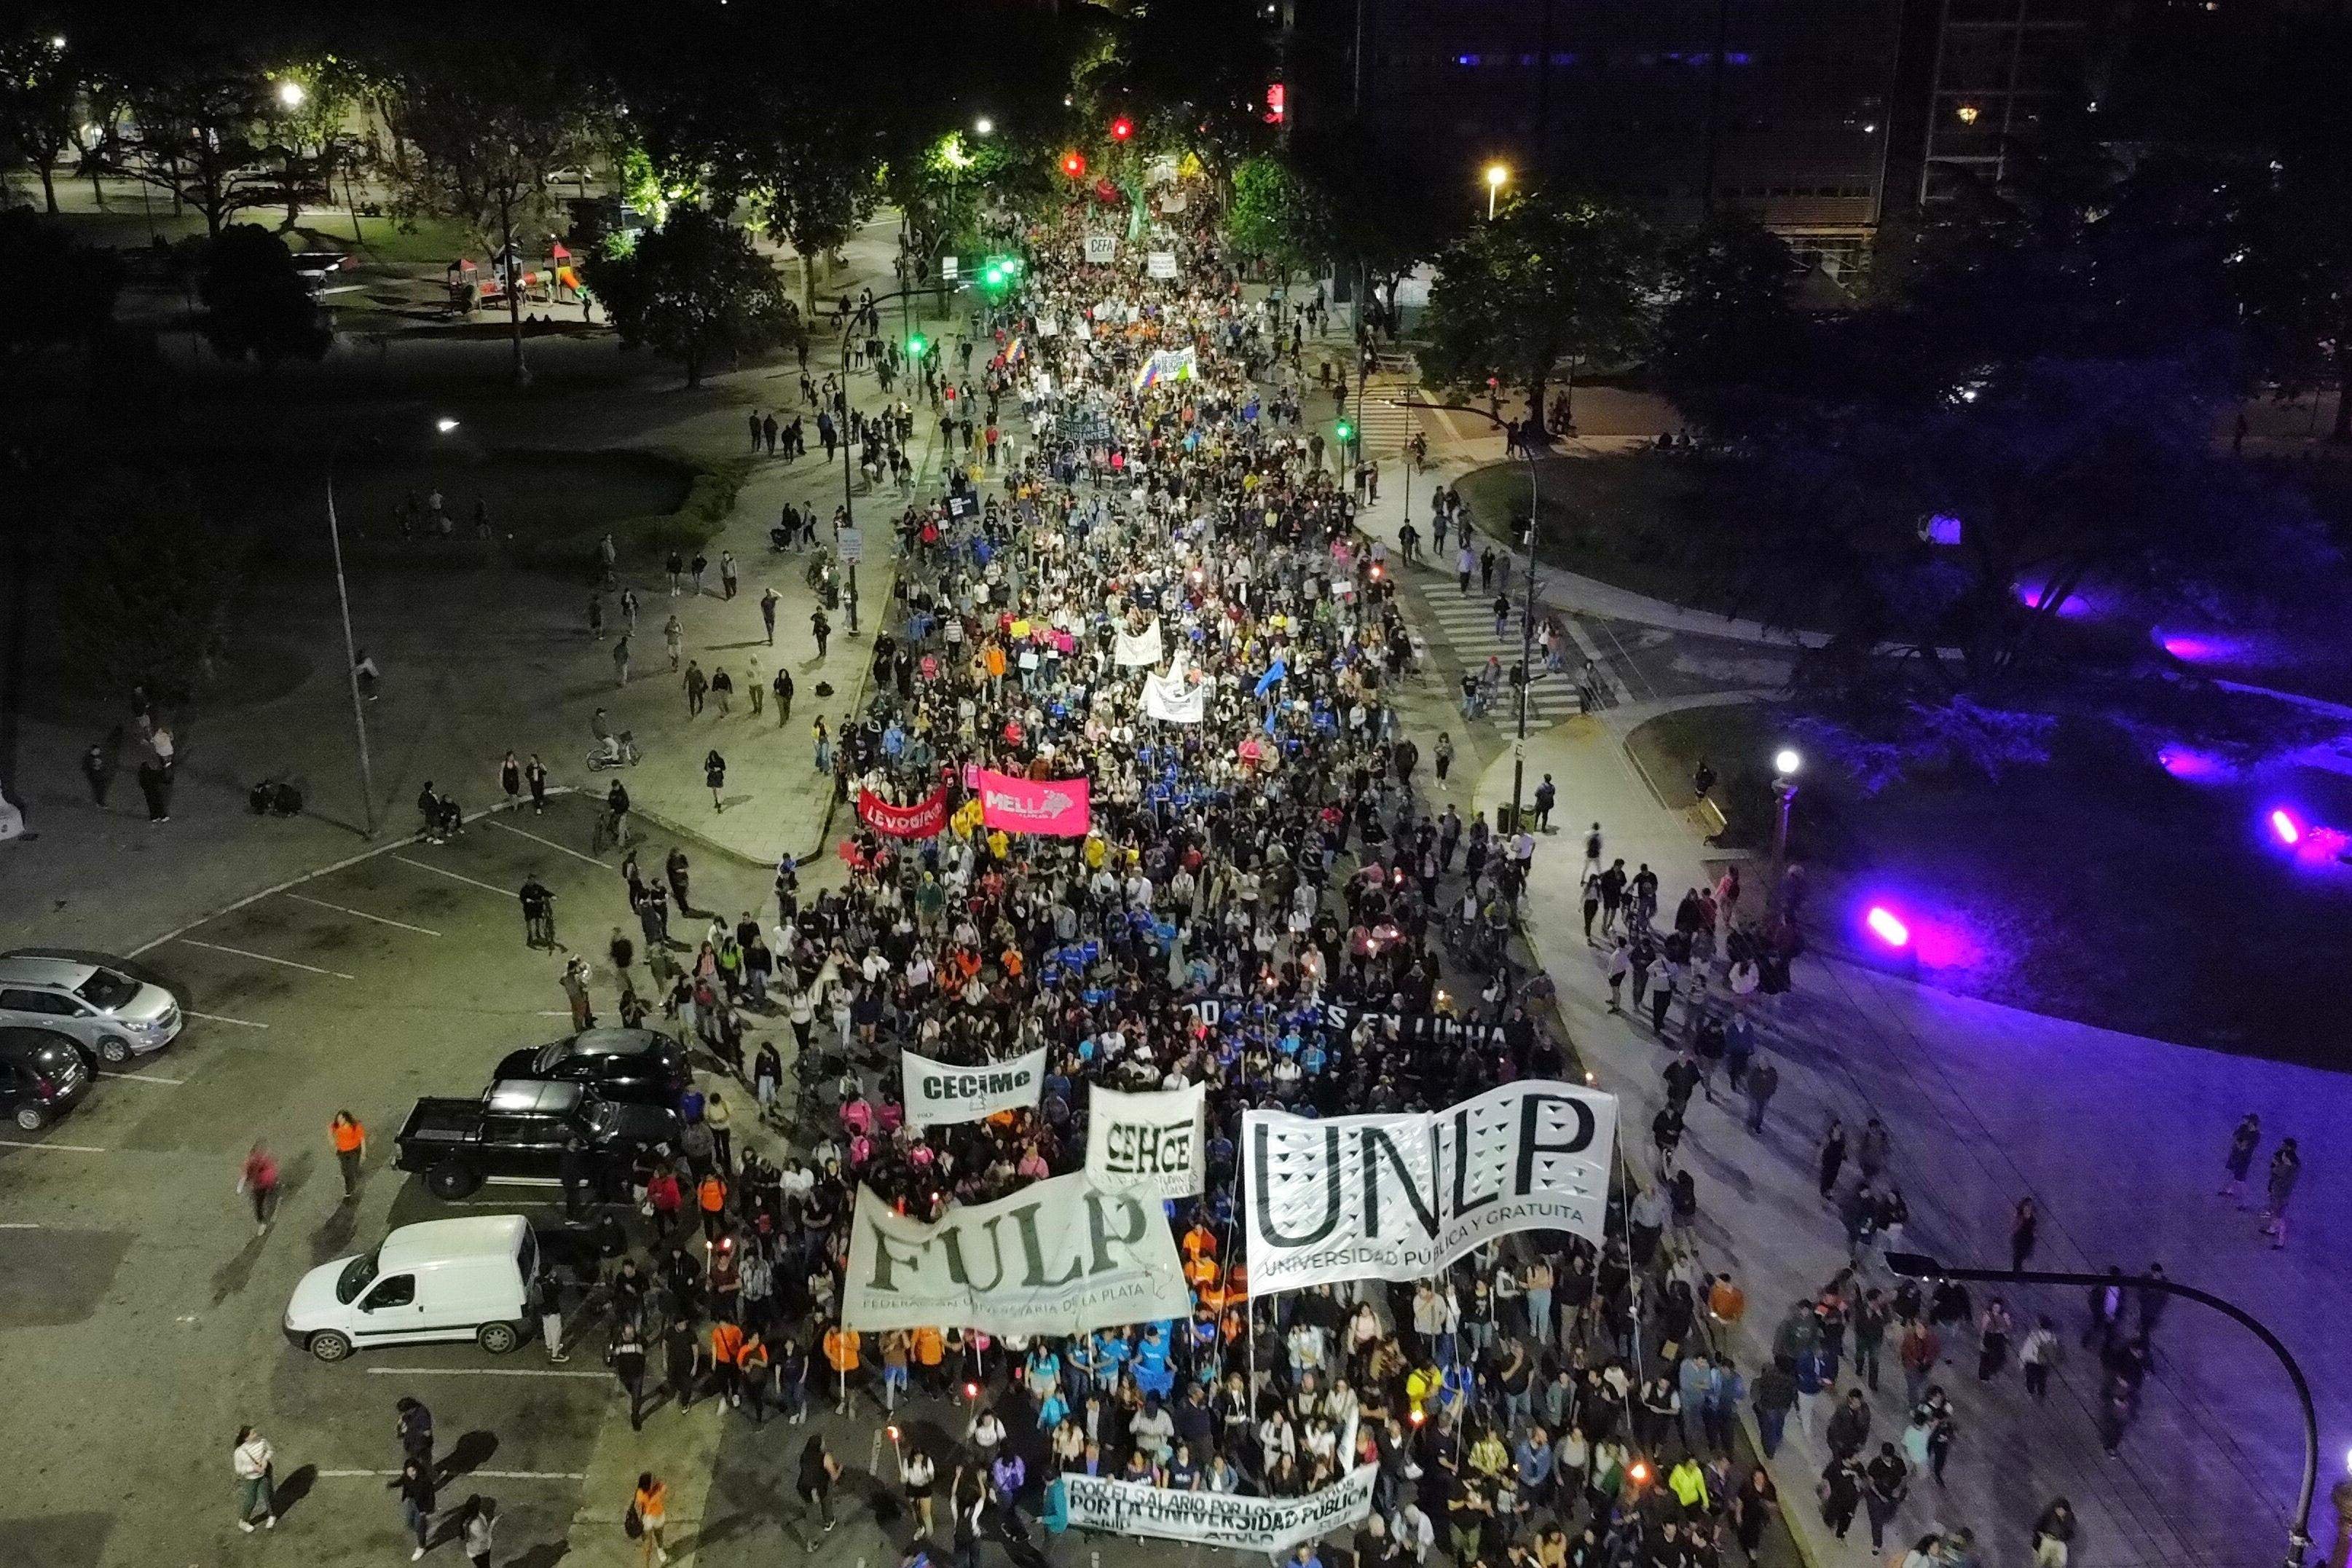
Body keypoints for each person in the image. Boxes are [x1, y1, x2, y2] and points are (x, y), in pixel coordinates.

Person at [232, 1425, 277, 1532]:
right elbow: (239, 1469)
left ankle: (272, 1515)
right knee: (251, 1501)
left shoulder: (262, 1442)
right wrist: (252, 1468)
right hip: (251, 1479)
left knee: (268, 1494)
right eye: (253, 1434)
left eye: (255, 1432)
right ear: (246, 1438)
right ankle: (243, 1521)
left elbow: (270, 1451)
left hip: (264, 1474)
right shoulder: (240, 1452)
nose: (256, 1434)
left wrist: (265, 1460)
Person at [797, 1434, 841, 1540]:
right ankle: (828, 1522)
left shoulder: (805, 1454)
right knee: (826, 1502)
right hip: (820, 1486)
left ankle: (810, 1539)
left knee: (810, 1509)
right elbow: (834, 1476)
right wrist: (840, 1469)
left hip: (804, 1486)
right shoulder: (825, 1457)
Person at [393, 1455, 437, 1561]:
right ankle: (424, 1527)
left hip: (421, 1507)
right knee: (409, 1522)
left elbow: (431, 1496)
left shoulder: (425, 1480)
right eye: (410, 1471)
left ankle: (421, 1547)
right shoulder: (406, 1477)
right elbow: (401, 1481)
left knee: (419, 1527)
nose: (413, 1474)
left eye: (414, 1470)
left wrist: (426, 1510)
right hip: (412, 1502)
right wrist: (392, 1485)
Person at [238, 1143, 279, 1234]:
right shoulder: (257, 1161)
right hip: (261, 1185)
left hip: (262, 1185)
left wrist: (240, 1186)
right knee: (260, 1204)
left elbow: (245, 1175)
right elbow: (245, 1175)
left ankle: (262, 1223)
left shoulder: (255, 1161)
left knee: (260, 1204)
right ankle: (262, 1222)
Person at [632, 1472, 669, 1565]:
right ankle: (646, 1564)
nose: (654, 1481)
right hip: (647, 1519)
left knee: (659, 1535)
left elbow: (665, 1489)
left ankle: (660, 1549)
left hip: (658, 1515)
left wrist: (656, 1496)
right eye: (651, 1481)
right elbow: (639, 1506)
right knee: (647, 1544)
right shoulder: (641, 1494)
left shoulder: (658, 1487)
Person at [460, 1496, 498, 1568]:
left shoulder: (467, 1517)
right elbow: (485, 1536)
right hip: (480, 1551)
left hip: (473, 1550)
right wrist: (493, 1523)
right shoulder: (476, 1522)